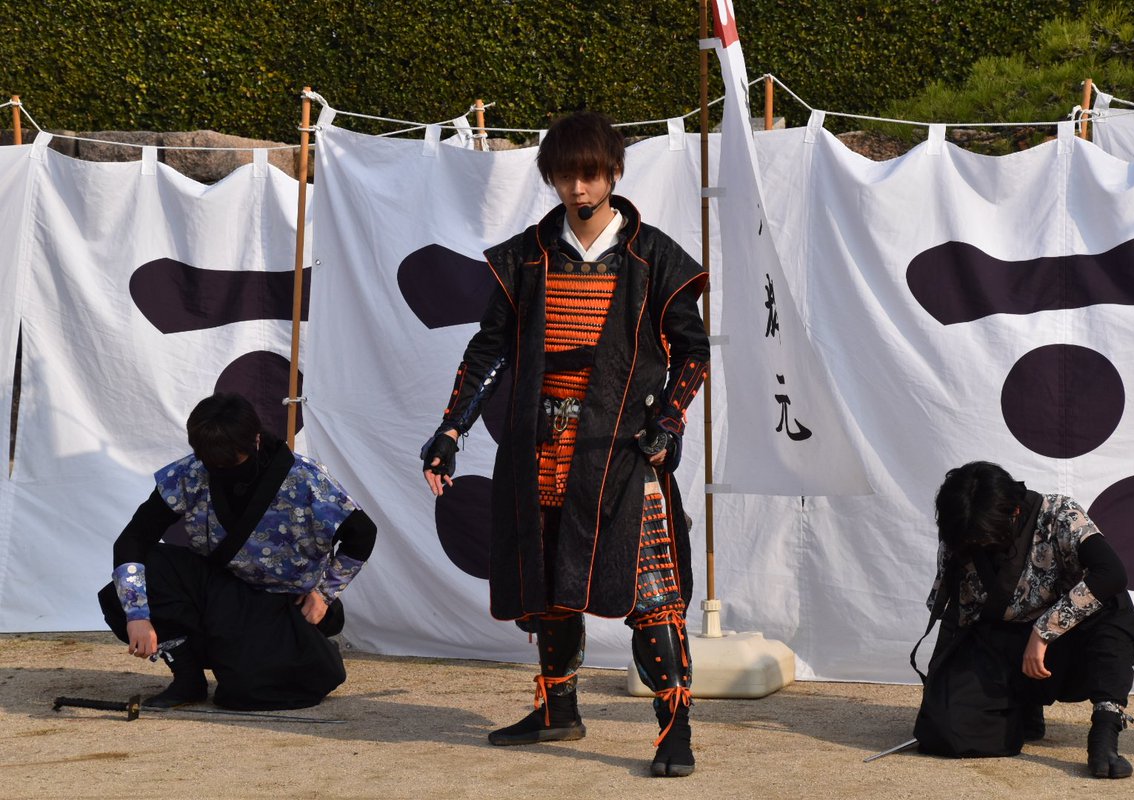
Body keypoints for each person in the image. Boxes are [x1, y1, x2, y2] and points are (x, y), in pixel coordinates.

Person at [421, 111, 709, 777]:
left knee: (652, 590)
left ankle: (675, 729)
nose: (578, 188)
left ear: (613, 173)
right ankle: (557, 710)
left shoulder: (655, 255)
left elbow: (691, 351)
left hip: (624, 445)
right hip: (542, 444)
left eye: (591, 174)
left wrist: (668, 422)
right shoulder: (527, 255)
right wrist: (451, 429)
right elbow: (489, 350)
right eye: (565, 176)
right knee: (548, 579)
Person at [98, 392, 377, 710]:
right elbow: (133, 539)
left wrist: (324, 594)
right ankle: (187, 678)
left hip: (278, 603)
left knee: (244, 694)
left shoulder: (305, 479)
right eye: (211, 463)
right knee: (129, 585)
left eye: (231, 463)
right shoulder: (191, 473)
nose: (220, 469)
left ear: (256, 440)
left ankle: (307, 650)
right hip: (220, 589)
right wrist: (137, 614)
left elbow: (362, 534)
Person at [920, 461, 1134, 778]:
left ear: (1014, 512)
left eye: (985, 537)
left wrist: (1043, 632)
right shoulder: (962, 529)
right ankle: (1020, 710)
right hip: (1002, 649)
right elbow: (958, 616)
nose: (977, 545)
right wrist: (942, 693)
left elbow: (1113, 573)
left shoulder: (1058, 514)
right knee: (946, 732)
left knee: (1113, 603)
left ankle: (1105, 731)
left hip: (1069, 650)